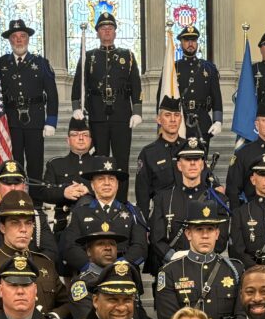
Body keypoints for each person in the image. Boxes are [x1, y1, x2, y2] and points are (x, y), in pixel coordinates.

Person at [0, 190, 70, 319]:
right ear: (2, 228)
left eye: (28, 223)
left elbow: (67, 304)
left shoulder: (44, 264)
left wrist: (53, 316)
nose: (23, 229)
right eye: (15, 223)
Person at [71, 12, 142, 201]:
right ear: (97, 33)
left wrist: (137, 110)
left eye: (110, 28)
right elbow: (79, 82)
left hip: (121, 114)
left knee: (121, 162)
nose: (107, 31)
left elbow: (135, 84)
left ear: (116, 32)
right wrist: (77, 106)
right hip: (97, 114)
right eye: (103, 28)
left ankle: (121, 202)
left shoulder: (127, 56)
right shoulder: (89, 56)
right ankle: (99, 201)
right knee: (98, 161)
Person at [156, 200, 242, 319]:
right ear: (188, 234)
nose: (205, 235)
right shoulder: (170, 272)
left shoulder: (235, 269)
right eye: (199, 229)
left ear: (217, 233)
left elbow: (241, 317)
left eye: (209, 229)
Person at [0, 19, 58, 181]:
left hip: (35, 120)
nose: (18, 40)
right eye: (15, 36)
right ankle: (16, 201)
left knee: (35, 164)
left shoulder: (41, 63)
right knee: (13, 165)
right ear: (9, 40)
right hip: (10, 121)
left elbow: (52, 95)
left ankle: (36, 203)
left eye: (22, 36)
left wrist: (51, 121)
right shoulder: (1, 63)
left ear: (28, 39)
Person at [148, 137, 230, 271]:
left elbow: (220, 240)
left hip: (205, 267)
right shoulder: (163, 198)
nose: (192, 163)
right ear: (179, 165)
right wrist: (173, 257)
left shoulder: (217, 199)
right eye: (187, 159)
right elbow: (156, 238)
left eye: (197, 159)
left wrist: (195, 257)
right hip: (171, 268)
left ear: (202, 164)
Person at [61, 156, 149, 274]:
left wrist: (120, 266)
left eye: (111, 179)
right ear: (92, 185)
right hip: (89, 275)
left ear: (117, 184)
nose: (107, 183)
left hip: (124, 274)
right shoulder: (80, 212)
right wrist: (89, 267)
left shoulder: (132, 212)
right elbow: (70, 247)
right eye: (101, 179)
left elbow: (141, 247)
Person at [67, 232, 158, 319]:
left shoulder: (126, 280)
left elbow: (140, 317)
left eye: (112, 244)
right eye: (100, 244)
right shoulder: (81, 284)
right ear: (88, 251)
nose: (108, 248)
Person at [0, 160, 56, 260]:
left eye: (17, 183)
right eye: (7, 184)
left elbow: (50, 251)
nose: (13, 188)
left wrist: (26, 267)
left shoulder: (38, 217)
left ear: (24, 186)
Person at [32, 117, 95, 239]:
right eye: (75, 135)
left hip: (94, 227)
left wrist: (89, 191)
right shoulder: (56, 164)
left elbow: (114, 189)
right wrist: (64, 192)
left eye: (85, 135)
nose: (81, 138)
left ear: (91, 140)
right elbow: (44, 192)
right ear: (68, 140)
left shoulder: (100, 164)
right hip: (63, 228)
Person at [162, 25, 223, 146]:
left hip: (202, 121)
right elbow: (163, 96)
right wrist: (162, 123)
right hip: (179, 122)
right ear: (181, 44)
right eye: (187, 40)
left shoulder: (209, 68)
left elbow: (217, 96)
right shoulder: (172, 68)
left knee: (201, 160)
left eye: (193, 40)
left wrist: (218, 121)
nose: (191, 43)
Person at [228, 154, 265, 267]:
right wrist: (256, 270)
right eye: (263, 174)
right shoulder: (241, 213)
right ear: (253, 180)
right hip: (253, 275)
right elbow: (236, 251)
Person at [135, 97, 185, 224]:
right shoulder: (148, 153)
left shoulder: (190, 148)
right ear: (158, 119)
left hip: (189, 214)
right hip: (161, 217)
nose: (173, 120)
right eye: (167, 115)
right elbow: (142, 193)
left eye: (177, 115)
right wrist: (143, 224)